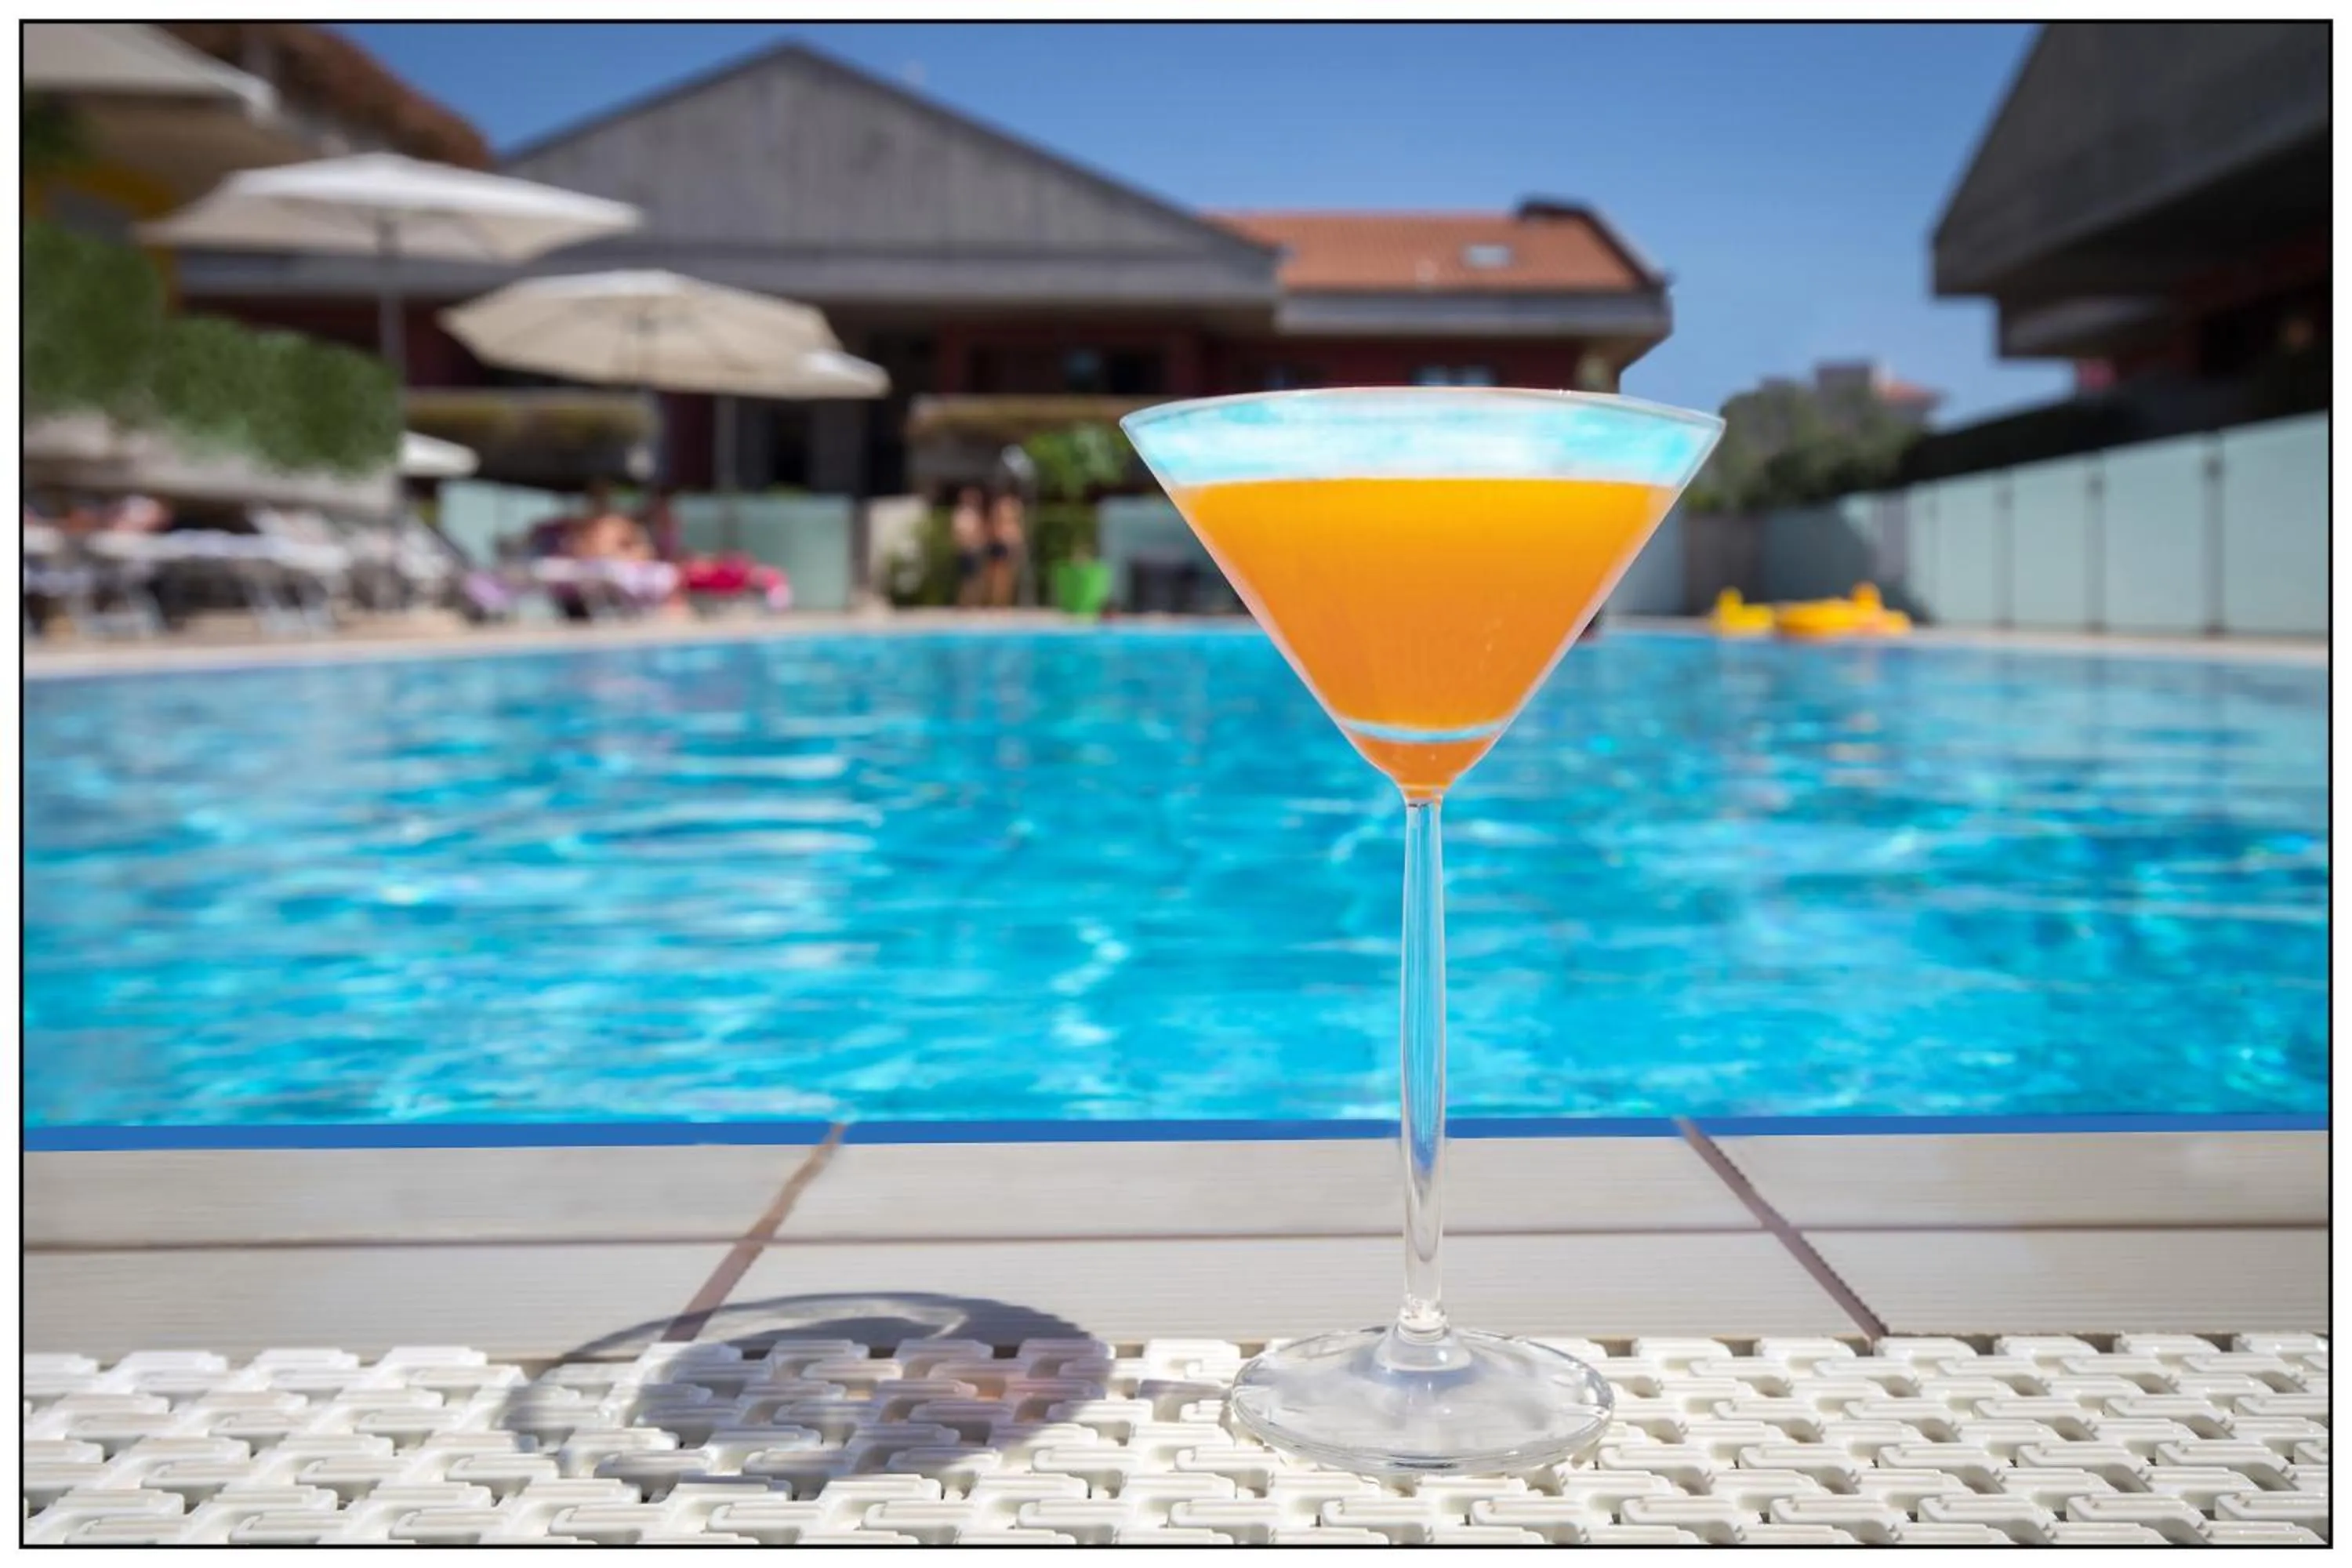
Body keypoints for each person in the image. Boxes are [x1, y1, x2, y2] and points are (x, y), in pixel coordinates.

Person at [985, 488, 1027, 608]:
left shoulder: (1012, 506)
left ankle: (1003, 603)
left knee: (1008, 576)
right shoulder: (1005, 506)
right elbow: (996, 524)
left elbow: (1018, 526)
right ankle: (997, 603)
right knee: (999, 576)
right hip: (1004, 541)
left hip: (1010, 541)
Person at [949, 485, 987, 608]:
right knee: (967, 579)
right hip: (965, 550)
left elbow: (980, 532)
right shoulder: (960, 514)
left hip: (974, 550)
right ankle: (964, 603)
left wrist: (980, 543)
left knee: (976, 578)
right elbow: (957, 533)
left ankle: (973, 602)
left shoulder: (975, 514)